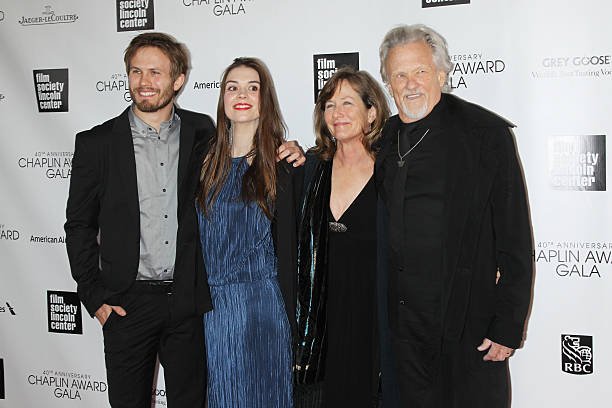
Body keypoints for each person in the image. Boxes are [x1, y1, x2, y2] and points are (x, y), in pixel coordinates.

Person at [64, 33, 303, 408]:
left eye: (156, 72)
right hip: (127, 305)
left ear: (178, 80)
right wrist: (95, 298)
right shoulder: (96, 144)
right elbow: (78, 226)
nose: (145, 82)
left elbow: (250, 158)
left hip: (189, 304)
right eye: (136, 71)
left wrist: (292, 149)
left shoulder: (201, 135)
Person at [375, 24, 533, 407]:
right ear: (387, 84)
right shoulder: (380, 138)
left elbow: (515, 239)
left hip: (469, 328)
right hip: (403, 334)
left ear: (442, 75)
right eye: (399, 75)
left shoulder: (485, 135)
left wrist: (507, 326)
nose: (410, 84)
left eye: (421, 72)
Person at [196, 57, 303, 408]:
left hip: (261, 309)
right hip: (211, 309)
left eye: (252, 88)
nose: (242, 94)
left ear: (264, 99)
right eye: (233, 87)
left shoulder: (282, 163)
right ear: (222, 98)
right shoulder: (203, 159)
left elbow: (291, 248)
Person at [294, 67, 390, 408]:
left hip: (374, 319)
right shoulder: (309, 167)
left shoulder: (391, 171)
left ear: (372, 112)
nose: (337, 114)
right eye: (330, 105)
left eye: (348, 103)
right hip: (320, 324)